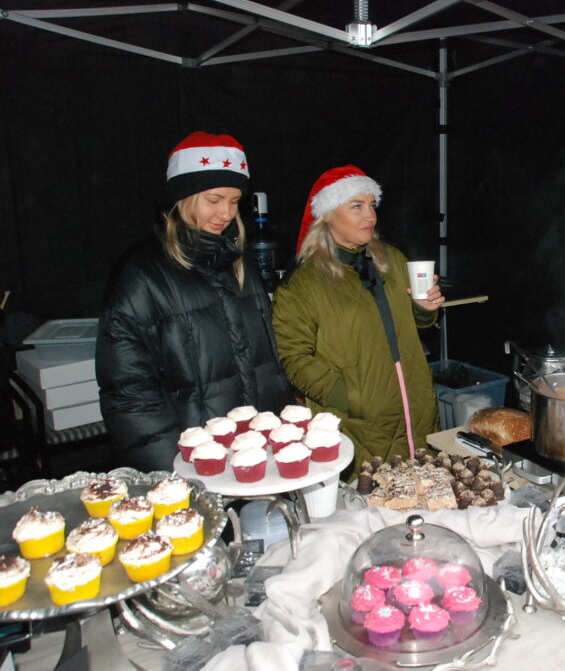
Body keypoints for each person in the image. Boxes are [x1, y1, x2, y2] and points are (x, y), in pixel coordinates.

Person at [96, 131, 292, 471]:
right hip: (192, 464)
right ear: (182, 198)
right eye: (214, 200)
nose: (226, 213)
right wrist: (177, 471)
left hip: (254, 458)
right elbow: (129, 393)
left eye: (234, 201)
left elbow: (266, 367)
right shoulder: (142, 275)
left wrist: (281, 436)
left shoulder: (239, 264)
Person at [272, 166, 443, 474]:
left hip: (417, 412)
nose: (371, 216)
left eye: (372, 205)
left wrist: (424, 309)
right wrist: (350, 396)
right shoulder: (303, 283)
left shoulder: (392, 260)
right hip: (358, 426)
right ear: (327, 215)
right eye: (357, 206)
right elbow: (293, 358)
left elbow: (418, 327)